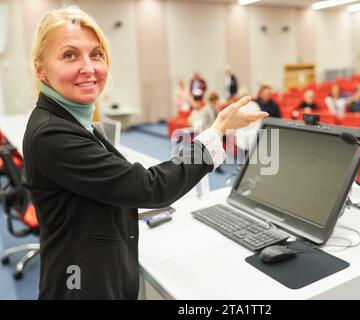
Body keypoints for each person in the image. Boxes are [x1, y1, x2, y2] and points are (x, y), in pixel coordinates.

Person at [22, 7, 268, 300]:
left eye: (96, 54)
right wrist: (214, 134)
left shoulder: (69, 121)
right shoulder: (52, 134)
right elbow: (149, 187)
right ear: (41, 69)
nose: (88, 67)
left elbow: (106, 191)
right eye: (70, 55)